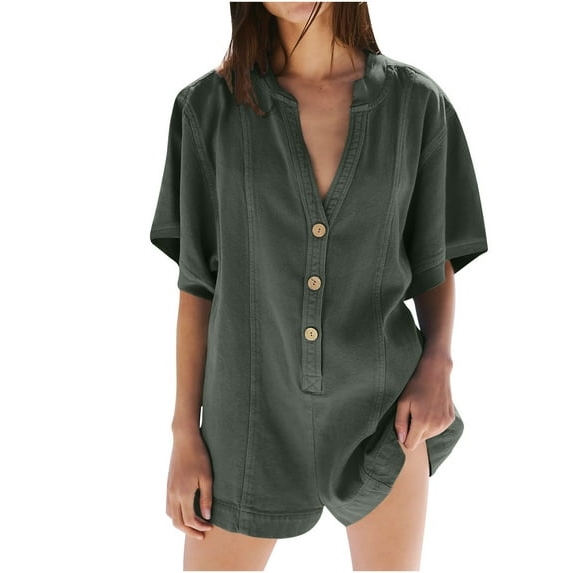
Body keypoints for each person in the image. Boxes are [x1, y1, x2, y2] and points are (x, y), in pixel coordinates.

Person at [149, 2, 488, 570]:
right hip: (247, 415)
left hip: (385, 412)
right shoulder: (206, 110)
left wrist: (439, 364)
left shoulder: (416, 105)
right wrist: (185, 430)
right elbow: (197, 287)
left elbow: (435, 262)